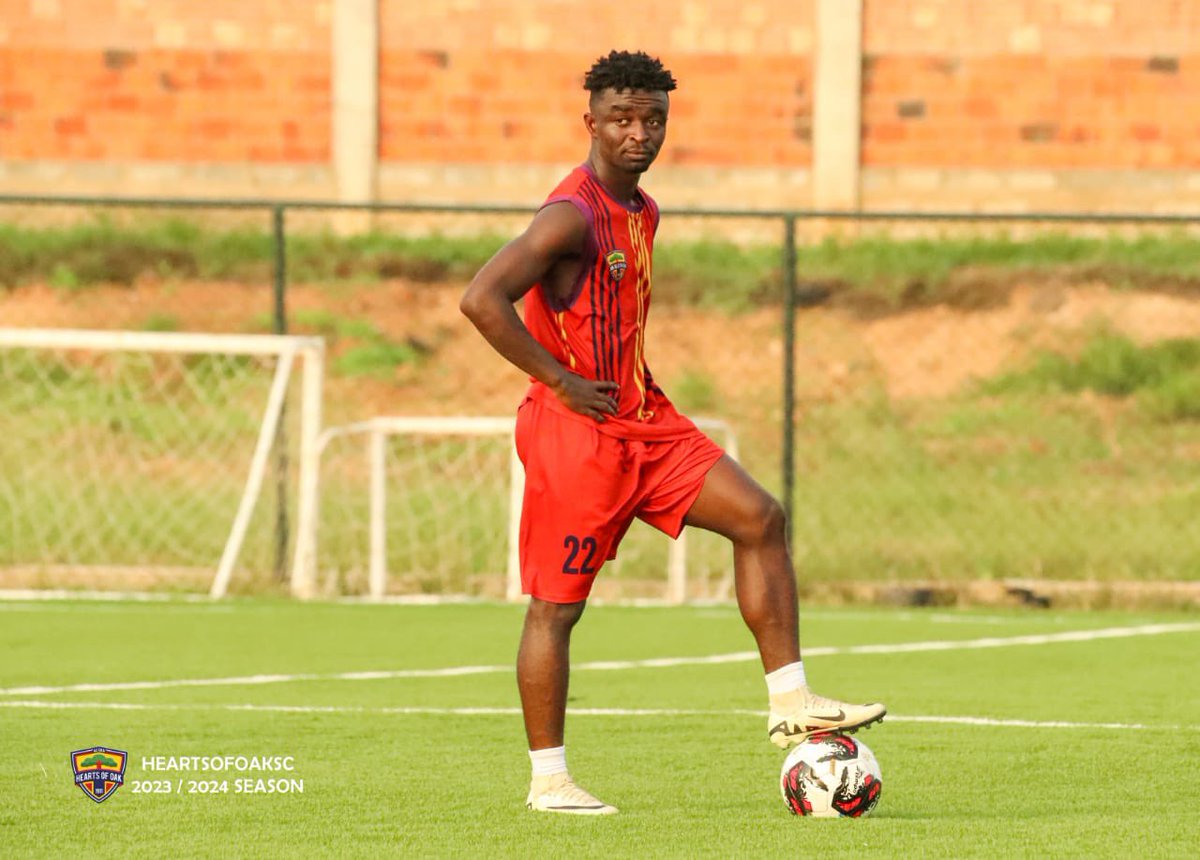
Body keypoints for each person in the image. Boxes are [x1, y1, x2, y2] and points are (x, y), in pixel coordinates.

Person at [460, 49, 885, 816]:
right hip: (577, 434)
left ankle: (790, 701)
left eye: (652, 118)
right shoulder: (569, 215)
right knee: (558, 609)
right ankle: (549, 781)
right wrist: (558, 380)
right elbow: (481, 298)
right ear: (590, 121)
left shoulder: (645, 210)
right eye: (621, 118)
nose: (638, 133)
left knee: (760, 517)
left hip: (647, 424)